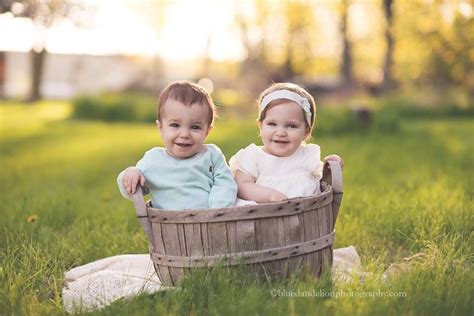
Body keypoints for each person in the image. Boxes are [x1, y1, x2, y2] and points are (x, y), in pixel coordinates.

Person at [117, 80, 237, 210]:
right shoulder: (153, 160)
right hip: (169, 226)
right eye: (175, 125)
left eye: (195, 127)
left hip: (208, 223)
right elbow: (133, 190)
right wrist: (130, 174)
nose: (184, 134)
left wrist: (219, 209)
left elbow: (226, 183)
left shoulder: (212, 155)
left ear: (207, 131)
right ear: (161, 128)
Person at [229, 82, 342, 205]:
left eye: (291, 126)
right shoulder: (253, 156)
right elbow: (241, 186)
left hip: (306, 218)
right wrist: (270, 195)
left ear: (306, 131)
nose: (281, 132)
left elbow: (322, 181)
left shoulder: (306, 155)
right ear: (261, 126)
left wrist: (331, 164)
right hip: (262, 217)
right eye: (272, 124)